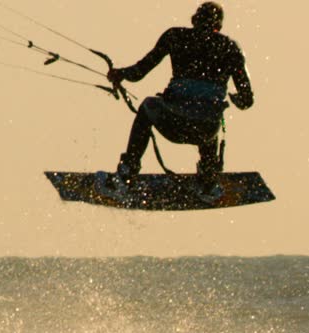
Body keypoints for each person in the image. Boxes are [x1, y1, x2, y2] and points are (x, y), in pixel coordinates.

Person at [100, 2, 255, 201]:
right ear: (219, 26)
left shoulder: (175, 37)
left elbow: (139, 72)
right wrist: (234, 99)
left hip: (172, 122)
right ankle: (208, 181)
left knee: (147, 106)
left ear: (194, 20)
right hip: (204, 131)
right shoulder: (230, 48)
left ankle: (127, 174)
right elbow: (247, 100)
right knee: (210, 116)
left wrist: (119, 74)